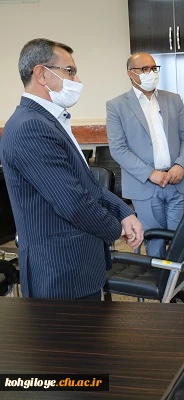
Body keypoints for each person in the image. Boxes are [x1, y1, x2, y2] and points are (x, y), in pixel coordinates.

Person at [0, 38, 143, 300]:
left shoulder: (49, 121)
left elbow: (86, 183)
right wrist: (116, 228)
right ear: (42, 74)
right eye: (70, 71)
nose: (77, 80)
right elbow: (73, 203)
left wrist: (124, 212)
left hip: (76, 265)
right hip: (60, 271)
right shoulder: (30, 127)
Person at [106, 52, 184, 302]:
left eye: (154, 68)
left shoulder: (172, 99)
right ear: (130, 73)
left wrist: (180, 165)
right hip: (145, 185)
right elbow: (118, 149)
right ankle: (160, 288)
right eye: (144, 69)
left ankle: (180, 287)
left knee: (180, 239)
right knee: (154, 240)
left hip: (177, 181)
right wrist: (150, 174)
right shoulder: (117, 105)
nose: (151, 73)